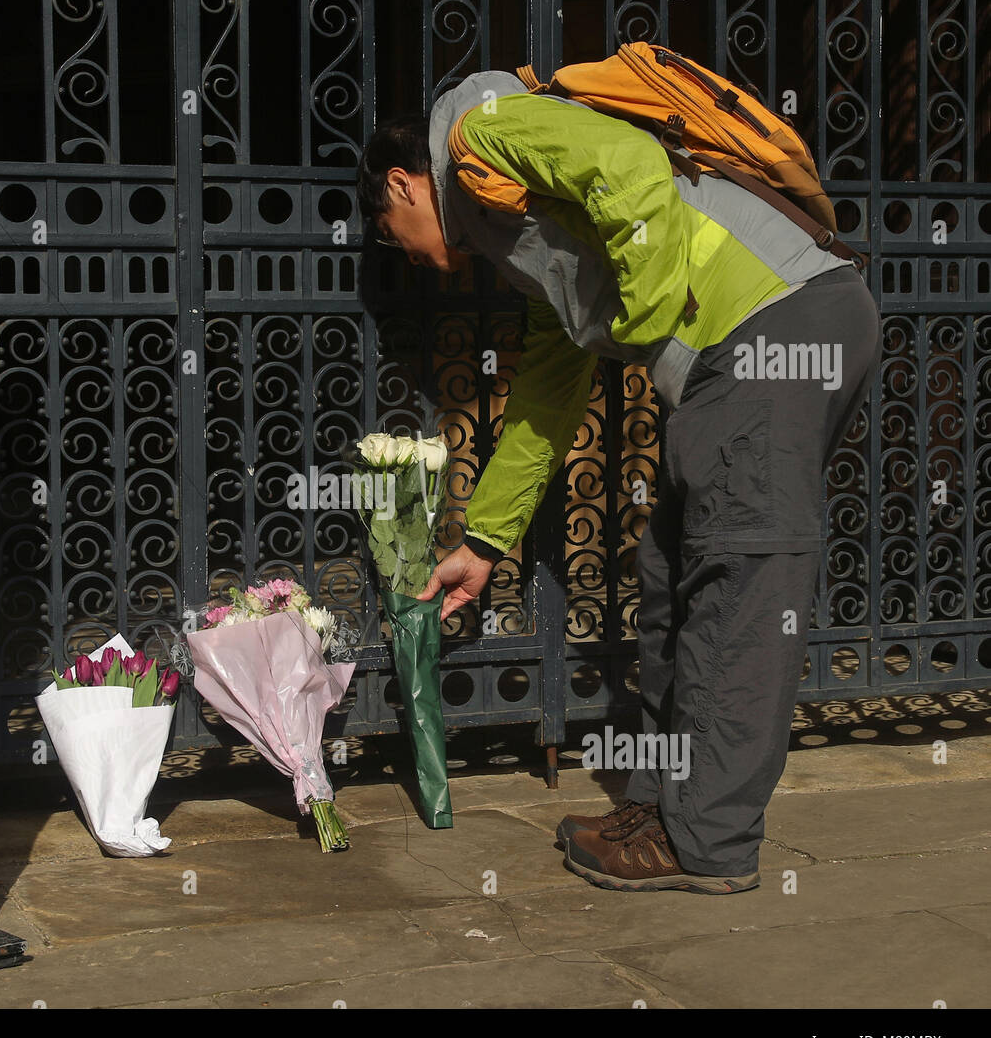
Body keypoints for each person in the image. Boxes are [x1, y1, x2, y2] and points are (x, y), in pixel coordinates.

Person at [356, 70, 883, 894]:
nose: (415, 258)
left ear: (400, 183)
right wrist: (486, 541)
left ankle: (709, 842)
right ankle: (662, 810)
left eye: (392, 235)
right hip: (741, 349)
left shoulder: (478, 136)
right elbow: (547, 392)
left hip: (774, 324)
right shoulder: (513, 225)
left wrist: (641, 322)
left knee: (739, 582)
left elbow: (630, 169)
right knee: (673, 578)